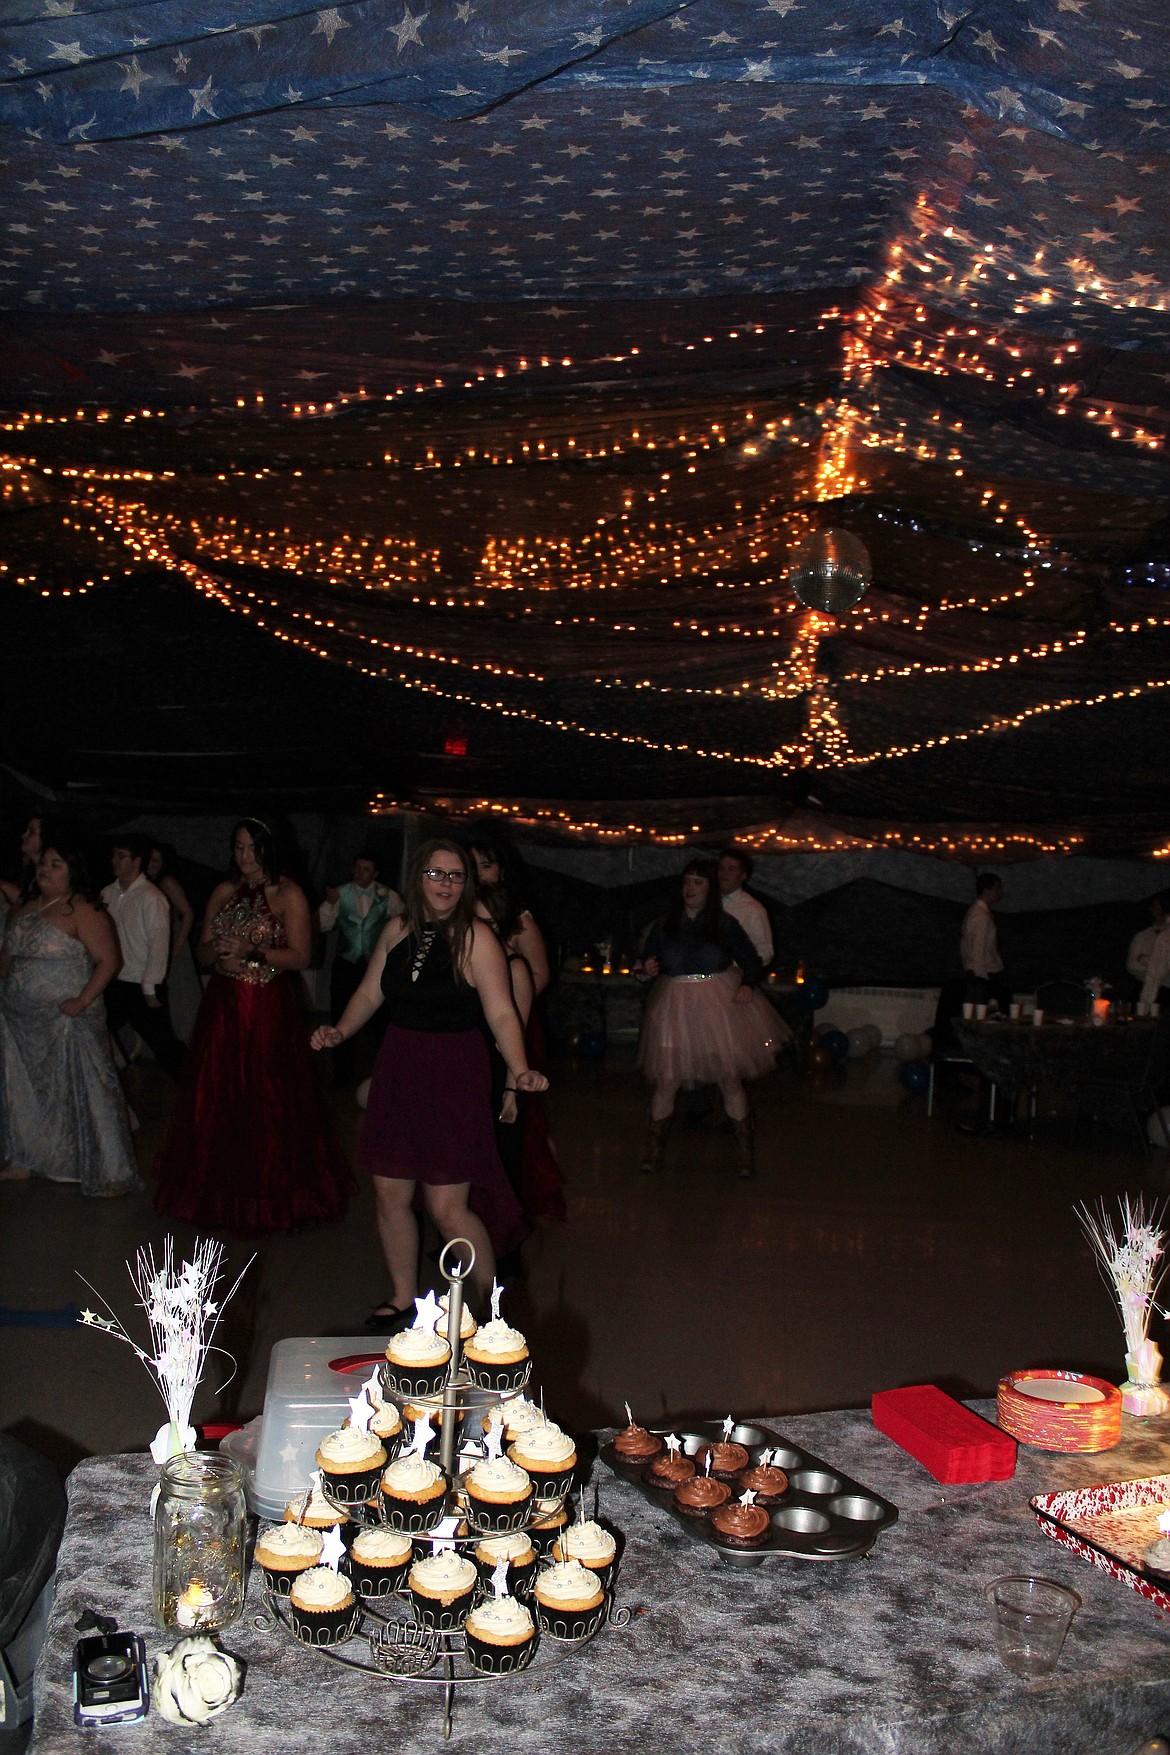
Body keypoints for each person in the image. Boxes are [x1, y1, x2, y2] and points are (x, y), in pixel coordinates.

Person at [311, 838, 547, 1330]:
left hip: (454, 1071)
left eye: (456, 875)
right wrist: (340, 1030)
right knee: (390, 1192)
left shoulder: (477, 937)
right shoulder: (397, 928)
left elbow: (502, 1011)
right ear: (418, 878)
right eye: (437, 874)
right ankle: (402, 1298)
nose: (446, 884)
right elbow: (371, 991)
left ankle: (491, 1311)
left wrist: (519, 1069)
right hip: (400, 1064)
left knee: (447, 1205)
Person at [154, 819, 352, 1236]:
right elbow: (203, 951)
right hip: (224, 1005)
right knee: (215, 1093)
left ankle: (269, 1193)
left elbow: (302, 956)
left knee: (267, 1095)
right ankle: (216, 1189)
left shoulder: (289, 893)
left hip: (265, 1006)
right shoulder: (224, 891)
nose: (245, 857)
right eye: (239, 848)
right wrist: (218, 953)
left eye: (253, 848)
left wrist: (253, 951)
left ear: (270, 849)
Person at [0, 838, 140, 1194]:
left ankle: (83, 1162)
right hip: (21, 1020)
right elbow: (7, 959)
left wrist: (81, 1000)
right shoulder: (24, 907)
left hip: (67, 1017)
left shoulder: (82, 909)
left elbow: (108, 961)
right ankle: (26, 1157)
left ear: (73, 871)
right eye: (43, 863)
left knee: (78, 1089)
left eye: (56, 864)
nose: (45, 869)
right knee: (25, 1091)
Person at [635, 857, 789, 1178]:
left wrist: (747, 985)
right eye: (687, 881)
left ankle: (744, 1149)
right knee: (667, 1079)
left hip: (716, 1002)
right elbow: (645, 963)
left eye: (698, 882)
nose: (690, 888)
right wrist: (644, 970)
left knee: (729, 1077)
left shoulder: (724, 923)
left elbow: (751, 960)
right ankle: (653, 1146)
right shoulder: (666, 923)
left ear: (710, 889)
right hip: (675, 1002)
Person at [478, 880, 565, 1224]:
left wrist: (511, 1093)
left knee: (502, 1163)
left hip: (500, 1076)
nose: (479, 931)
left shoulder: (514, 967)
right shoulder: (470, 961)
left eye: (487, 923)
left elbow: (517, 1032)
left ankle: (501, 1243)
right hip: (471, 1072)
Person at [101, 836, 185, 1080]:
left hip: (141, 984)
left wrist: (150, 986)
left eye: (122, 856)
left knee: (164, 1046)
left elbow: (159, 945)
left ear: (137, 861)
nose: (115, 861)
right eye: (114, 855)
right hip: (115, 981)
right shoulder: (107, 893)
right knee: (95, 1032)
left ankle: (195, 1085)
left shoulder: (152, 897)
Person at [316, 853, 403, 1085]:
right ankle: (341, 1074)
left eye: (366, 869)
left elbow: (404, 927)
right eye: (357, 868)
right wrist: (331, 903)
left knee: (380, 1020)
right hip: (346, 963)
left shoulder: (389, 896)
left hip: (376, 964)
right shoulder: (340, 893)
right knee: (341, 1013)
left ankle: (383, 1073)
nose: (360, 873)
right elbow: (321, 924)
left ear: (375, 874)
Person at [468, 837, 550, 995]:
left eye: (486, 865)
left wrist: (511, 1001)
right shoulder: (457, 910)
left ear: (502, 870)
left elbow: (541, 974)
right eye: (472, 866)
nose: (479, 873)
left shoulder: (519, 918)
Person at [146, 841, 201, 1043]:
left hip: (173, 941)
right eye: (149, 859)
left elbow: (188, 913)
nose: (151, 864)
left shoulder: (167, 882)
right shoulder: (144, 885)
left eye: (156, 860)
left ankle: (187, 1038)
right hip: (157, 943)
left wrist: (178, 944)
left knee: (181, 992)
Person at [718, 845, 774, 967]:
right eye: (721, 868)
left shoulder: (753, 909)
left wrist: (738, 965)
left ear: (743, 875)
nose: (724, 873)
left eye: (731, 869)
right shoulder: (704, 901)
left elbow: (765, 952)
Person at [960, 872, 1008, 1008]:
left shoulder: (975, 913)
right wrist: (983, 980)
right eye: (997, 888)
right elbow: (978, 949)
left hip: (979, 974)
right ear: (987, 890)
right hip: (984, 974)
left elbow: (965, 947)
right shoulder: (981, 916)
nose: (1000, 892)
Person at [1128, 894, 1169, 987]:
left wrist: (1147, 961)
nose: (1159, 912)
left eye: (1161, 908)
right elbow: (1132, 964)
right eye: (1155, 908)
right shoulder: (1141, 937)